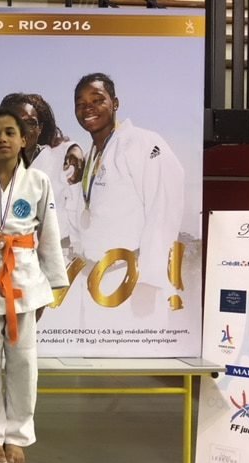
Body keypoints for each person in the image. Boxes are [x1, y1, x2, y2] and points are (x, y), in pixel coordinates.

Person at [0, 108, 68, 463]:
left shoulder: (38, 180)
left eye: (10, 132)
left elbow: (50, 234)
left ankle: (17, 434)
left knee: (23, 361)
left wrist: (51, 286)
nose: (2, 139)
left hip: (24, 276)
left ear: (24, 140)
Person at [73, 72, 184, 324]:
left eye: (97, 100)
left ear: (115, 103)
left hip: (132, 281)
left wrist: (149, 280)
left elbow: (163, 208)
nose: (88, 108)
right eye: (80, 103)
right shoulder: (93, 153)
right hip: (95, 280)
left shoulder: (144, 142)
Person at [0, 93, 84, 257]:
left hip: (56, 257)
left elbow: (77, 211)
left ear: (40, 128)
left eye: (30, 123)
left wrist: (74, 148)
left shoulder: (60, 158)